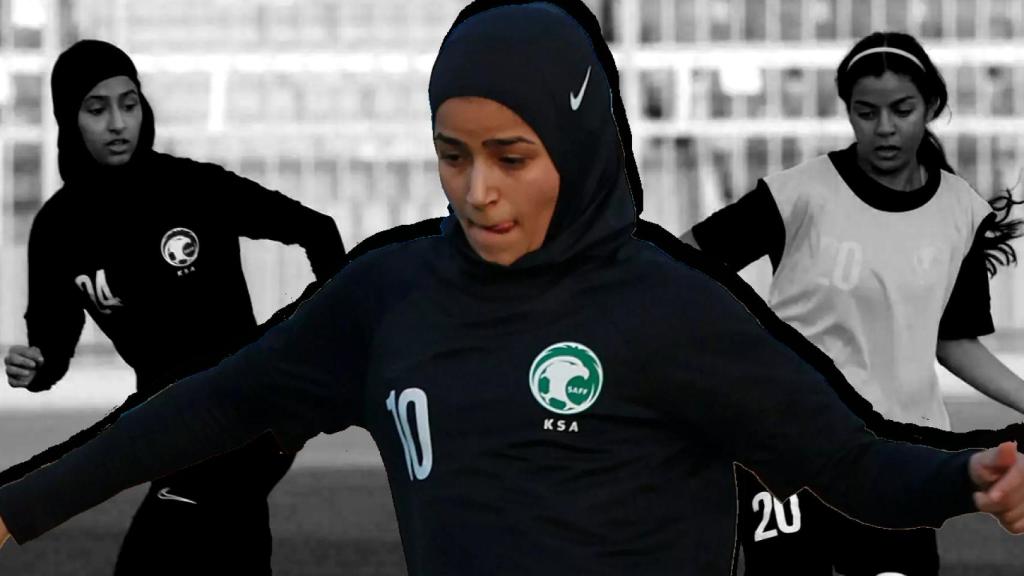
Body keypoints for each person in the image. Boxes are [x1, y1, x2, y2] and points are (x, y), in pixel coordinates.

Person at [1, 3, 1023, 575]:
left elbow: (849, 463)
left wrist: (968, 477)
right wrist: (19, 507)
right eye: (452, 154)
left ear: (579, 144)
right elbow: (211, 404)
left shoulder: (675, 309)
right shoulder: (388, 294)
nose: (476, 191)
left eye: (511, 155)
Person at [679, 31, 1024, 576]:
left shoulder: (961, 211)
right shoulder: (798, 193)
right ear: (848, 111)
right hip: (786, 443)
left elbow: (952, 339)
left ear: (931, 106)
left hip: (899, 453)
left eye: (901, 110)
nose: (884, 127)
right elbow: (685, 263)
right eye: (866, 112)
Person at [1, 40, 345, 575]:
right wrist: (36, 365)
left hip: (249, 409)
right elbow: (53, 342)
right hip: (163, 426)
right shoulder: (56, 230)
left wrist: (331, 332)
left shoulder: (195, 187)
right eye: (97, 108)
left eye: (129, 103)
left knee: (157, 552)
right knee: (235, 551)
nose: (118, 122)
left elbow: (316, 231)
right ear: (69, 119)